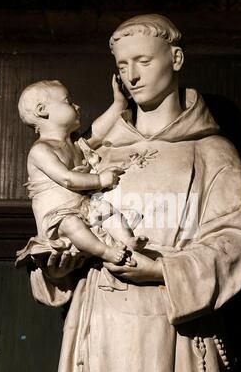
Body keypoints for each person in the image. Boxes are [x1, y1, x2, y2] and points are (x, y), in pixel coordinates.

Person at [27, 14, 241, 372]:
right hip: (100, 333)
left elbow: (233, 242)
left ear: (176, 58)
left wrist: (163, 271)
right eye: (122, 66)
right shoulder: (98, 154)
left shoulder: (211, 153)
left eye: (143, 61)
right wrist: (57, 265)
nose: (131, 76)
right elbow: (61, 228)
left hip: (173, 330)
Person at [16, 77, 148, 269]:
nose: (76, 106)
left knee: (109, 214)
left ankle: (127, 241)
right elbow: (67, 179)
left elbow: (99, 132)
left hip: (83, 208)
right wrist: (100, 179)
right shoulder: (41, 150)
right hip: (58, 218)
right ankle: (106, 251)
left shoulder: (75, 145)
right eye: (68, 101)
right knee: (73, 225)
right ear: (42, 110)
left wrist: (119, 103)